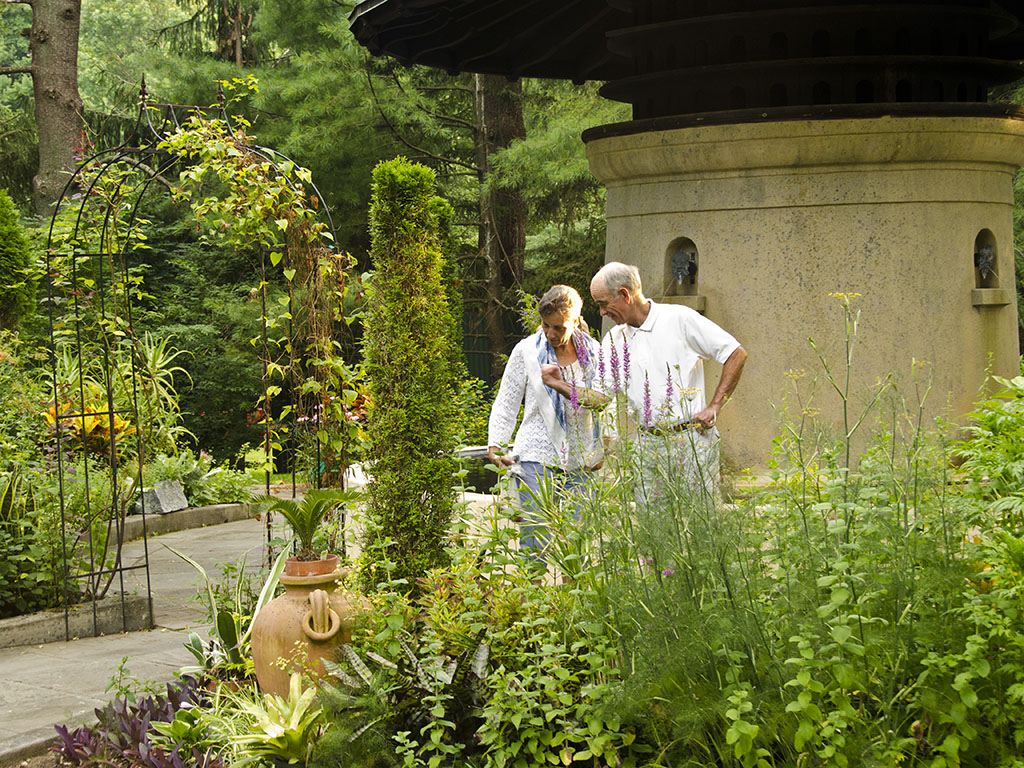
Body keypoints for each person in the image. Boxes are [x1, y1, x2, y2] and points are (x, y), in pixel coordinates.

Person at [545, 262, 747, 499]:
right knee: (650, 519)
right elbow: (600, 399)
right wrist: (559, 384)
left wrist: (715, 405)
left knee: (699, 515)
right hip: (647, 445)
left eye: (603, 303)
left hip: (691, 440)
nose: (601, 312)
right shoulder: (614, 339)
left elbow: (735, 353)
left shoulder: (679, 319)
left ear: (624, 294)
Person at [487, 285, 603, 560]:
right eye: (545, 325)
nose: (550, 333)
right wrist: (496, 444)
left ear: (575, 321)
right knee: (535, 537)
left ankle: (572, 589)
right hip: (536, 452)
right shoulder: (527, 350)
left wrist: (601, 448)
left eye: (558, 328)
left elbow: (604, 401)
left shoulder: (594, 353)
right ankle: (534, 587)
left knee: (577, 542)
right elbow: (507, 400)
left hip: (582, 456)